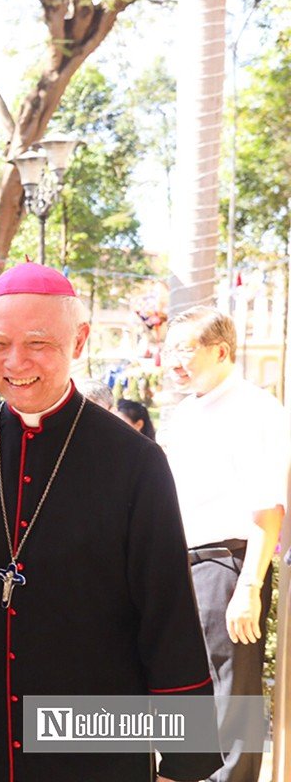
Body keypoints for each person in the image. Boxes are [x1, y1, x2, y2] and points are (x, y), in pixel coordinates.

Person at [0, 262, 221, 782]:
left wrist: (184, 760)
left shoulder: (133, 461)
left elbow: (168, 613)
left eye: (38, 343)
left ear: (80, 340)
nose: (15, 362)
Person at [159, 306, 290, 782]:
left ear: (220, 349)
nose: (175, 360)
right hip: (183, 564)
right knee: (195, 692)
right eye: (169, 349)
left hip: (227, 563)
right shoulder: (187, 411)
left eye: (185, 349)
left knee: (233, 698)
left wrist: (249, 587)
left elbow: (267, 508)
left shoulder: (255, 409)